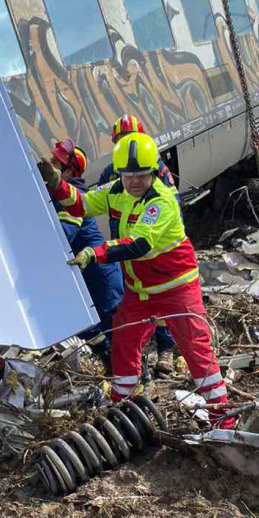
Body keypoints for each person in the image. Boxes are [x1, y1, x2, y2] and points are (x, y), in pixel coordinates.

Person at [40, 132, 233, 427]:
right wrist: (56, 184)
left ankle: (223, 417)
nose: (134, 182)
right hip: (141, 291)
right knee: (124, 340)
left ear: (153, 173)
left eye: (141, 176)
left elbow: (138, 244)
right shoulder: (117, 190)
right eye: (128, 176)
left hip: (176, 288)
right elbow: (81, 203)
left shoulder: (162, 201)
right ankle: (123, 406)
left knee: (196, 349)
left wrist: (96, 252)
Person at [97, 114, 177, 374]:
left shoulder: (157, 169)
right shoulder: (111, 173)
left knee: (161, 297)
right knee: (130, 300)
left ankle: (166, 349)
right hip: (124, 248)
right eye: (121, 141)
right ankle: (135, 356)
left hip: (151, 248)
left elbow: (172, 208)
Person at [50, 138, 124, 365]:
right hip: (87, 271)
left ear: (68, 173)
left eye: (56, 163)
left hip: (101, 274)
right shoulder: (60, 193)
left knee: (117, 330)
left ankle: (138, 378)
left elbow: (64, 233)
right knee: (87, 324)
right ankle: (112, 363)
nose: (50, 164)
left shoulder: (74, 195)